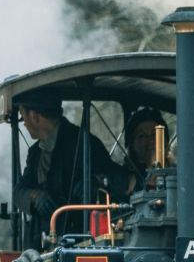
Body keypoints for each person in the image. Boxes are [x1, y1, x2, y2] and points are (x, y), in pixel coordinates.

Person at [13, 94, 125, 237]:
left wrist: (95, 183)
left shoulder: (84, 142)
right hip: (42, 240)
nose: (24, 124)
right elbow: (18, 191)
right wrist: (35, 196)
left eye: (23, 117)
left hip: (78, 238)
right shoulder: (35, 153)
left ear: (34, 116)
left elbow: (117, 178)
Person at [122, 107, 169, 194]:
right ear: (132, 144)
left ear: (165, 140)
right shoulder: (123, 178)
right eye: (142, 136)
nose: (150, 140)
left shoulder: (179, 173)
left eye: (155, 134)